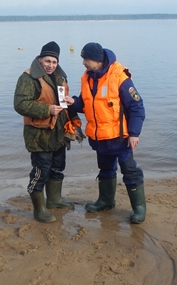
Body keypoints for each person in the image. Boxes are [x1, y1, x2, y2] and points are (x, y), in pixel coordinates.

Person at [65, 42, 147, 224]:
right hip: (99, 137)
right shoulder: (87, 77)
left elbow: (137, 106)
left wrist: (134, 133)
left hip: (120, 138)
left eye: (86, 59)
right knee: (105, 170)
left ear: (97, 60)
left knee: (130, 170)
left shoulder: (119, 76)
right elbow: (87, 105)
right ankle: (106, 201)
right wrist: (74, 102)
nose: (83, 63)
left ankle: (139, 208)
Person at [14, 41, 80, 223]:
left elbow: (63, 103)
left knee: (58, 168)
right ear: (40, 59)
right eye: (47, 61)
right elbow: (20, 105)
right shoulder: (28, 78)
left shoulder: (60, 77)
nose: (51, 65)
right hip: (39, 136)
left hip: (58, 133)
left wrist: (71, 113)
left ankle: (54, 200)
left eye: (54, 62)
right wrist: (47, 110)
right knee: (40, 172)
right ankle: (39, 210)